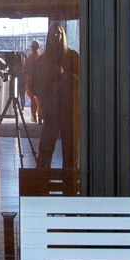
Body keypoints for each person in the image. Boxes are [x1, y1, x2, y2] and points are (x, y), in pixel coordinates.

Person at [31, 26, 80, 168]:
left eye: (58, 33)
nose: (56, 36)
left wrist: (65, 77)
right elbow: (34, 85)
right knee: (45, 150)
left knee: (70, 152)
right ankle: (42, 180)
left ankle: (67, 181)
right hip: (51, 110)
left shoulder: (72, 56)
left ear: (63, 35)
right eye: (53, 33)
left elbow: (82, 80)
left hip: (69, 110)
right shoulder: (44, 60)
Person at [23, 41, 44, 123]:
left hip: (32, 82)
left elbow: (25, 71)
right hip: (38, 82)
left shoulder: (29, 59)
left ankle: (35, 116)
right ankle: (39, 117)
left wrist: (28, 77)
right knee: (39, 100)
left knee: (33, 100)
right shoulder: (41, 58)